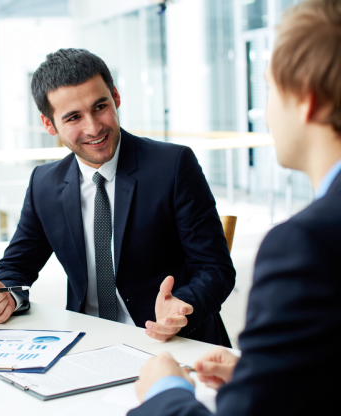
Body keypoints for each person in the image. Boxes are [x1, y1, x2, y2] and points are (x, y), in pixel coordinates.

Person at [131, 0, 341, 414]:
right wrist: (263, 373)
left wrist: (165, 390)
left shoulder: (305, 244)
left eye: (269, 88)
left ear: (306, 99)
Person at [0, 48, 235, 346]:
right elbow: (16, 267)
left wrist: (183, 307)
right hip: (87, 342)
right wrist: (5, 294)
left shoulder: (173, 166)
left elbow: (215, 269)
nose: (94, 128)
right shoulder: (43, 184)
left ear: (116, 97)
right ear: (49, 125)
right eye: (73, 117)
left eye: (100, 107)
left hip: (173, 341)